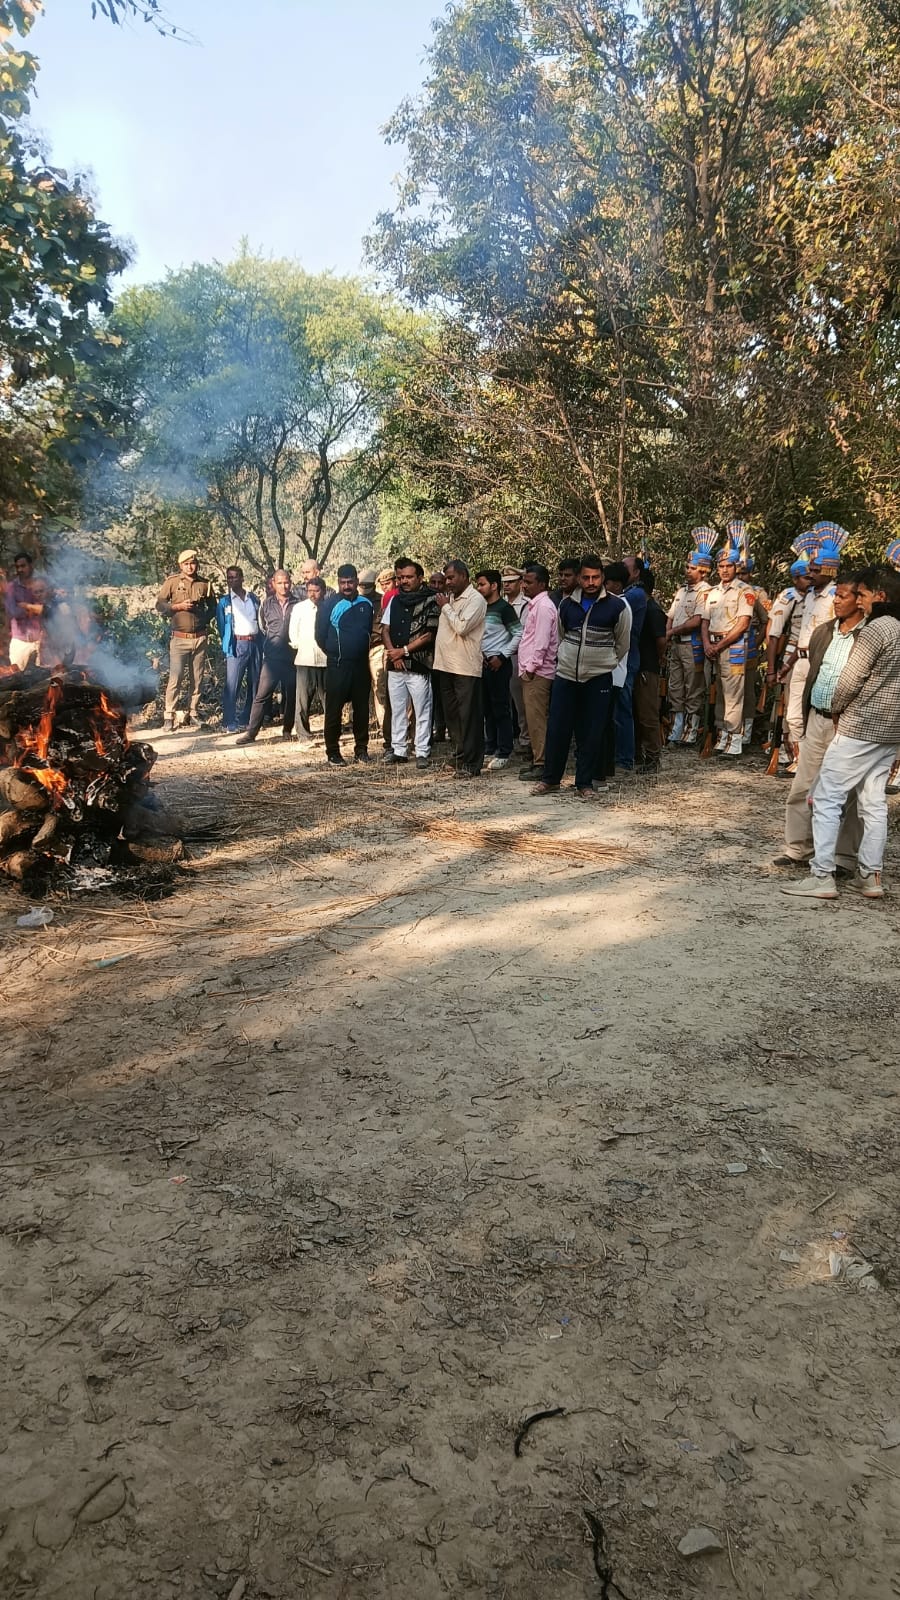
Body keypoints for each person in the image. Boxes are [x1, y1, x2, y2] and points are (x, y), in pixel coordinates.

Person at [782, 563, 900, 901]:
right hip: (889, 732)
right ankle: (870, 876)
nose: (859, 601)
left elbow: (850, 679)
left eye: (863, 595)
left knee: (826, 797)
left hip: (859, 726)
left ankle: (822, 874)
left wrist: (836, 708)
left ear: (880, 596)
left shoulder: (877, 629)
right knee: (873, 803)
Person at [773, 575, 864, 873]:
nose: (836, 600)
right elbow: (815, 671)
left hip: (849, 725)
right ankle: (798, 848)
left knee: (849, 791)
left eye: (843, 596)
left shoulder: (868, 636)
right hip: (818, 717)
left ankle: (844, 857)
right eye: (835, 595)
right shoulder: (824, 631)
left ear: (859, 600)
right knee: (803, 784)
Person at [532, 554, 630, 799]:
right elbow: (561, 635)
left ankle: (583, 784)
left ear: (602, 577)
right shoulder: (566, 605)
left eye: (595, 577)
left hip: (598, 677)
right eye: (586, 577)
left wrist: (604, 662)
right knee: (558, 729)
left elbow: (622, 644)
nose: (591, 582)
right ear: (579, 578)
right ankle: (550, 780)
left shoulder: (617, 607)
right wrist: (567, 659)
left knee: (592, 732)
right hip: (566, 676)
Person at [780, 522, 848, 771]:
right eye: (810, 569)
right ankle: (801, 760)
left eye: (816, 570)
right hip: (800, 660)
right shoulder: (808, 596)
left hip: (821, 661)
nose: (811, 574)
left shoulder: (836, 597)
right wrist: (787, 665)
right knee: (793, 714)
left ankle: (820, 762)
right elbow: (802, 634)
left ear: (829, 571)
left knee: (817, 713)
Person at [382, 558, 440, 770]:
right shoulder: (395, 600)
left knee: (422, 709)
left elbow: (429, 635)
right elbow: (385, 629)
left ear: (420, 578)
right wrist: (395, 655)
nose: (404, 581)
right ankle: (399, 750)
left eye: (409, 577)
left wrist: (404, 651)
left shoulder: (431, 600)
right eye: (401, 577)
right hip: (396, 664)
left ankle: (422, 751)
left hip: (419, 664)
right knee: (397, 709)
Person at [698, 541, 755, 756]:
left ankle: (734, 738)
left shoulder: (744, 590)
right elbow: (705, 621)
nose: (724, 570)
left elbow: (742, 623)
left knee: (733, 694)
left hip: (733, 646)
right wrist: (707, 644)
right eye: (721, 566)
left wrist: (719, 645)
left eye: (728, 566)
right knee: (718, 693)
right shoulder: (713, 592)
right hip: (712, 645)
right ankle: (721, 735)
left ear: (736, 567)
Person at [315, 563, 375, 766]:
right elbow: (320, 636)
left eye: (350, 582)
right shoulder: (329, 605)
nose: (347, 586)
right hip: (338, 665)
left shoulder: (366, 604)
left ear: (357, 582)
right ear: (338, 583)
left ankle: (361, 750)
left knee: (361, 709)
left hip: (361, 666)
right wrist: (336, 653)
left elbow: (368, 631)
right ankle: (333, 752)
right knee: (334, 710)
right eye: (343, 582)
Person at [433, 559, 488, 778]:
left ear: (464, 576)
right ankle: (460, 756)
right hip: (445, 665)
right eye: (446, 578)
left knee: (469, 716)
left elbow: (462, 627)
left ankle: (472, 764)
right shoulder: (451, 598)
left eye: (451, 578)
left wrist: (445, 607)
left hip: (465, 667)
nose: (447, 582)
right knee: (453, 716)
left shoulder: (476, 599)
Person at [155, 549, 216, 731]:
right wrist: (177, 606)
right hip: (179, 639)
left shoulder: (205, 584)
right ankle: (169, 715)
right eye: (186, 564)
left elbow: (213, 608)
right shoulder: (172, 582)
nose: (190, 567)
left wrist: (203, 620)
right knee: (176, 678)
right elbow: (159, 604)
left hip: (199, 638)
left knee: (197, 678)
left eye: (193, 563)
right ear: (181, 565)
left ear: (197, 564)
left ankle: (193, 712)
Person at [235, 569, 298, 744]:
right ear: (273, 584)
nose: (283, 586)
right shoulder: (266, 604)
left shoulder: (298, 604)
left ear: (290, 583)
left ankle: (287, 730)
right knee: (262, 695)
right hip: (272, 659)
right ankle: (251, 733)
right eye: (280, 583)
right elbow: (263, 628)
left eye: (286, 582)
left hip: (292, 658)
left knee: (291, 695)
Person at [665, 528, 715, 746]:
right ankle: (676, 728)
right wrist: (668, 633)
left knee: (693, 688)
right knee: (675, 687)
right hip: (676, 645)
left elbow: (696, 621)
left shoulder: (706, 592)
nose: (687, 571)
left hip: (692, 645)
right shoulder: (682, 590)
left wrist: (672, 632)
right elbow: (671, 615)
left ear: (703, 571)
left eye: (692, 568)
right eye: (687, 567)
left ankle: (691, 730)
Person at [766, 557, 813, 770]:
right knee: (788, 707)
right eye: (806, 577)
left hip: (813, 655)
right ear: (795, 579)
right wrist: (771, 668)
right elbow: (774, 633)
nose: (810, 580)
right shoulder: (788, 597)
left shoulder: (819, 597)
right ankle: (787, 750)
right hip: (792, 656)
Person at [474, 568, 523, 770]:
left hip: (499, 665)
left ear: (494, 586)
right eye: (477, 585)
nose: (479, 588)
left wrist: (502, 656)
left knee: (501, 708)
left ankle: (504, 751)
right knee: (487, 708)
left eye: (482, 584)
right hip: (482, 663)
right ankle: (490, 746)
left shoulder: (504, 608)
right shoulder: (479, 608)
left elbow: (519, 633)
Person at [516, 563, 558, 782]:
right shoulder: (538, 605)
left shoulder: (543, 607)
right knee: (534, 719)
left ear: (542, 584)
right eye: (524, 581)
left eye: (529, 582)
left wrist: (531, 669)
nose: (524, 586)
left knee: (537, 719)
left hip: (538, 673)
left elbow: (541, 643)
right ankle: (538, 760)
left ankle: (541, 763)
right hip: (534, 671)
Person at [216, 565, 261, 734]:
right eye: (229, 577)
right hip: (236, 644)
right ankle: (229, 722)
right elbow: (222, 626)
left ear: (242, 578)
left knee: (254, 683)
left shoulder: (253, 598)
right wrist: (229, 643)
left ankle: (248, 719)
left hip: (254, 643)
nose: (232, 580)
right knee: (232, 684)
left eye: (235, 577)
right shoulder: (225, 602)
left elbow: (259, 620)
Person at [613, 555, 648, 772]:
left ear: (635, 573)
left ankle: (625, 758)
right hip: (623, 658)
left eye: (626, 568)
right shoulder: (628, 593)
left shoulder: (634, 595)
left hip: (627, 658)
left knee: (622, 708)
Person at [633, 570, 667, 773]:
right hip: (639, 667)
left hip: (648, 668)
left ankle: (653, 757)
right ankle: (639, 753)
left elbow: (661, 640)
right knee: (637, 714)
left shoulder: (652, 610)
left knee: (648, 714)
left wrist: (657, 658)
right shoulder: (640, 607)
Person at [288, 574, 327, 741]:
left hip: (325, 660)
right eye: (309, 591)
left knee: (329, 699)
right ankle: (303, 734)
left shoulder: (329, 607)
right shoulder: (299, 608)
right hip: (305, 659)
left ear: (323, 591)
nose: (312, 594)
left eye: (316, 591)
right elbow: (293, 633)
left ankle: (331, 732)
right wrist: (301, 646)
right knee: (302, 700)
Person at [501, 566, 530, 752]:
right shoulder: (499, 603)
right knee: (504, 701)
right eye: (504, 582)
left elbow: (523, 634)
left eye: (511, 582)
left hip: (518, 656)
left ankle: (525, 739)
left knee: (521, 703)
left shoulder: (527, 604)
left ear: (520, 583)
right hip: (499, 657)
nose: (507, 585)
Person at [4, 551, 47, 670]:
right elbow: (13, 612)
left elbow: (46, 609)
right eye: (18, 567)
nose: (20, 570)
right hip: (19, 643)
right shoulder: (12, 587)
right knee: (16, 678)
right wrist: (35, 609)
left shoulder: (39, 585)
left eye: (23, 566)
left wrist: (26, 606)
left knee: (40, 679)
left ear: (31, 565)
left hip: (38, 642)